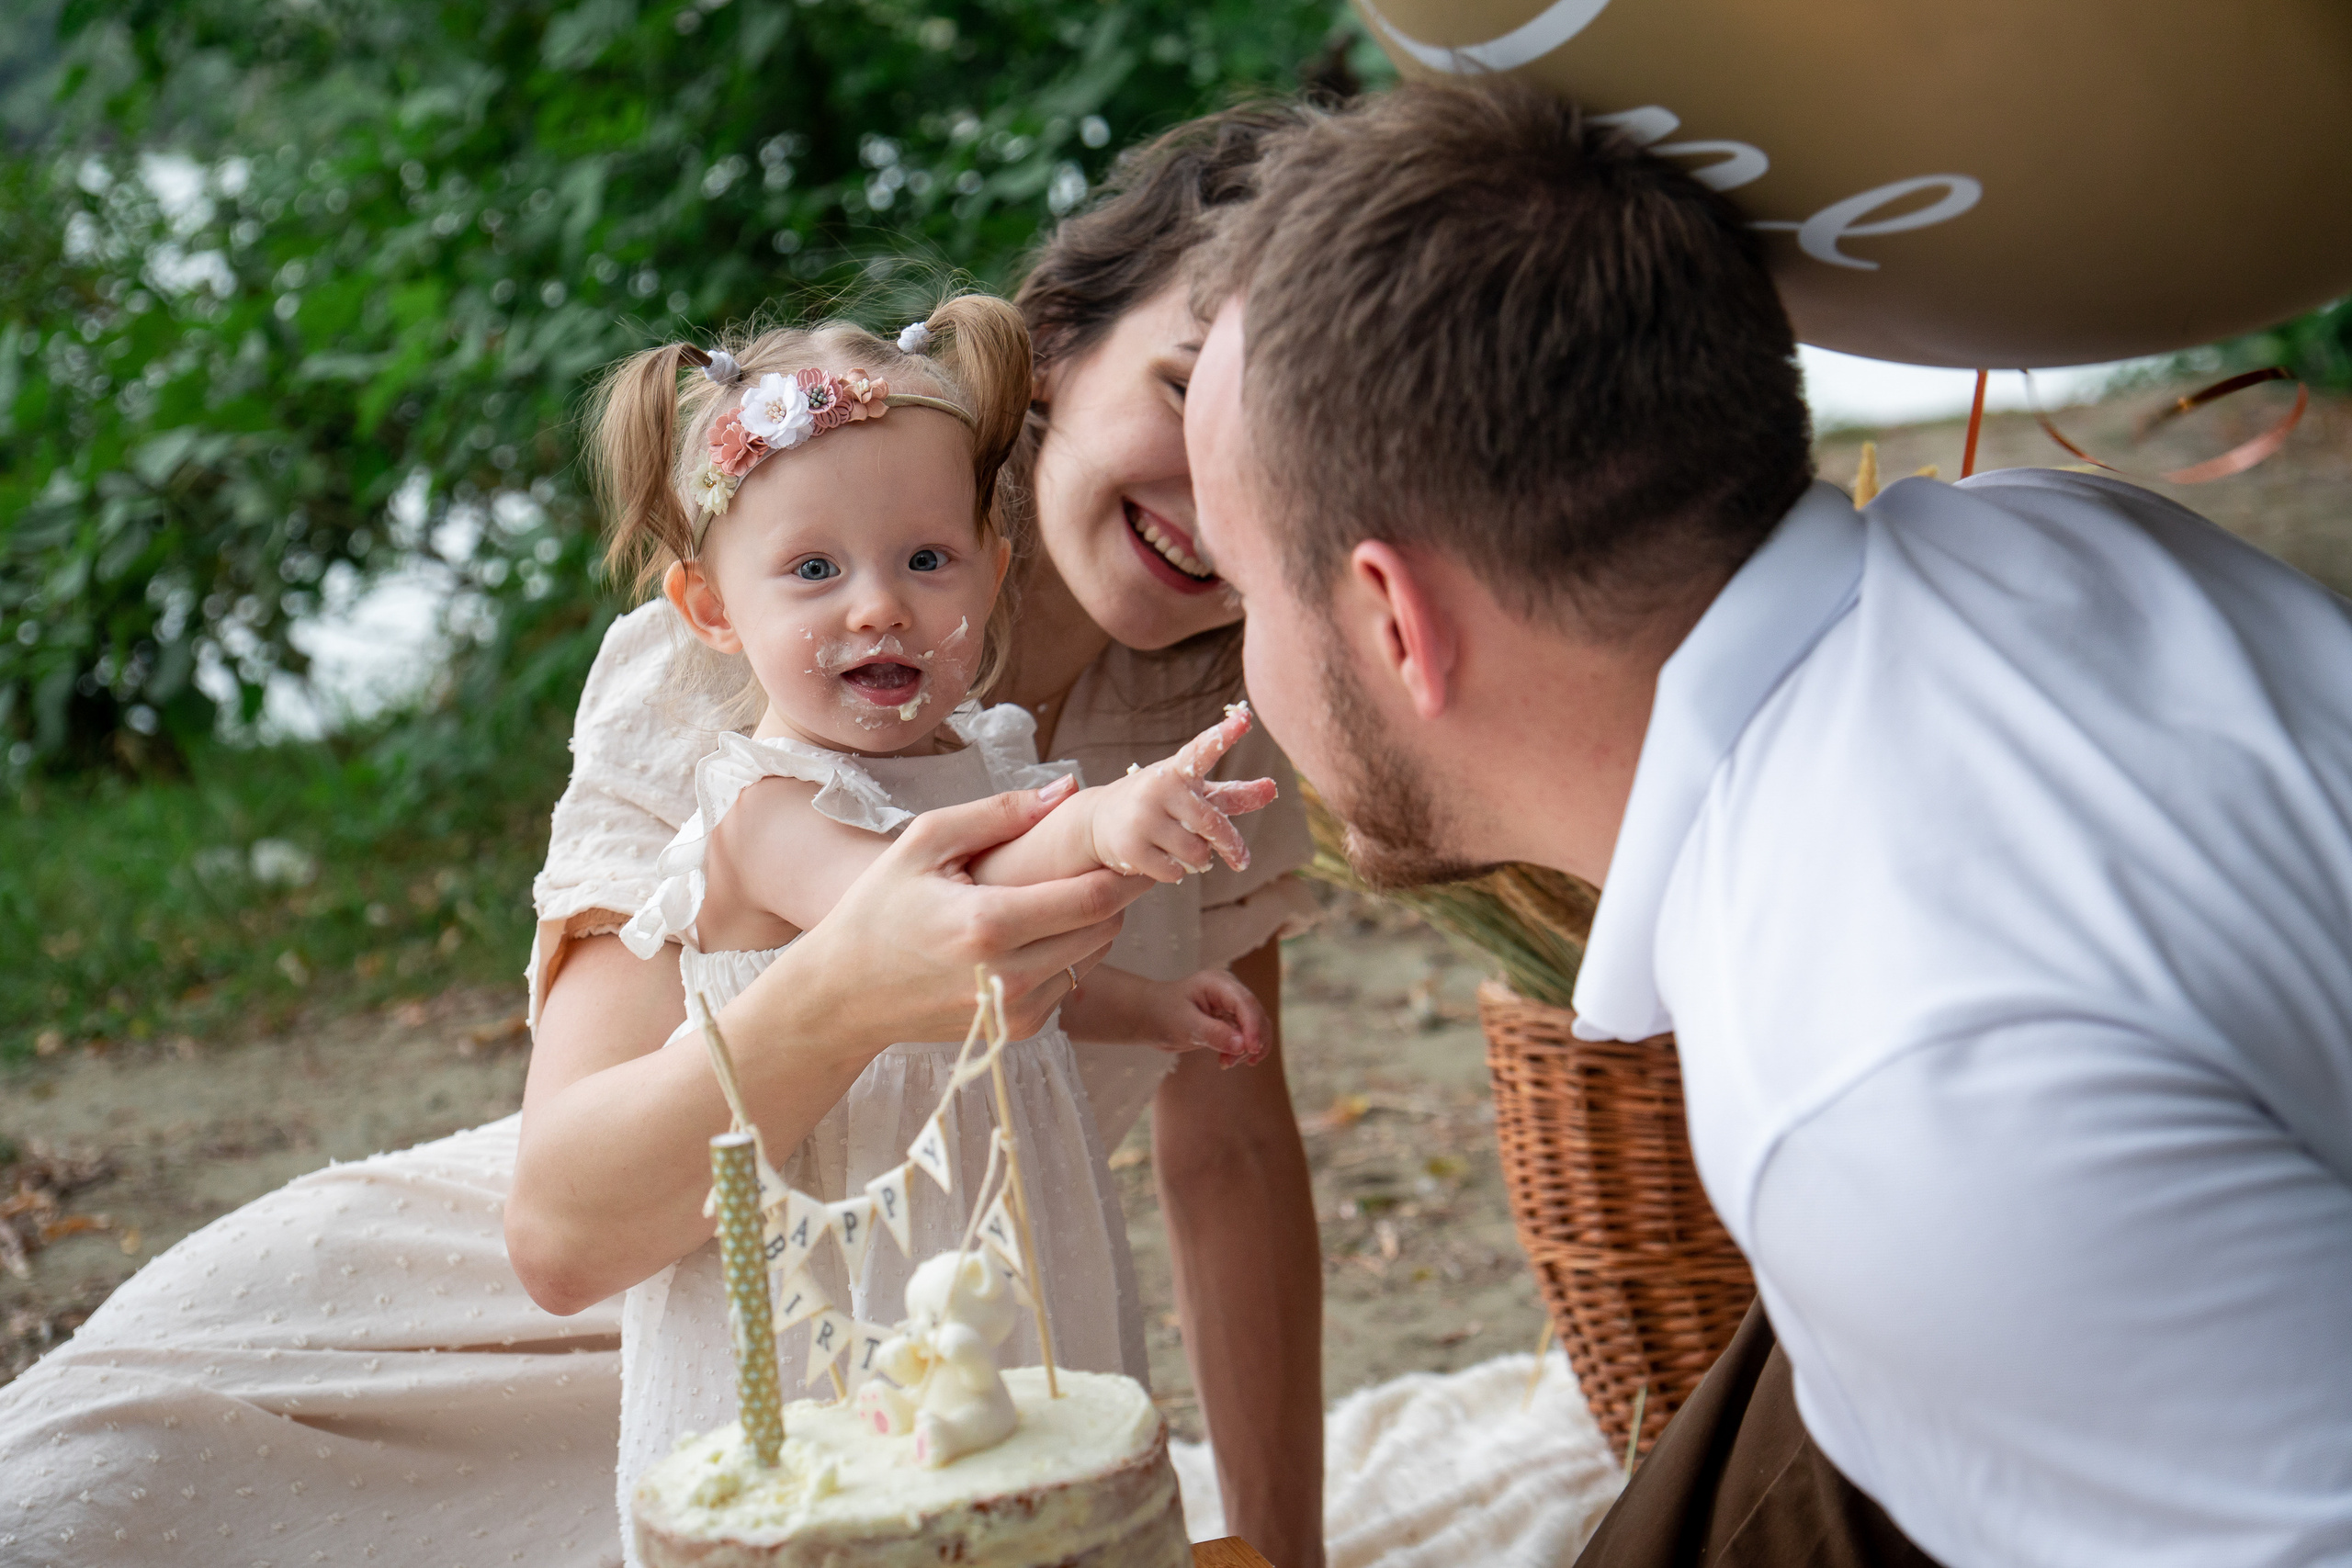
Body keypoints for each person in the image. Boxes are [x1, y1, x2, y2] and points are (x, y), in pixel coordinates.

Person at [0, 106, 1327, 1568]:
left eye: (1291, 465)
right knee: (81, 1502)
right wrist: (858, 983)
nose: (1216, 502)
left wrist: (1280, 1554)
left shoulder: (1232, 724)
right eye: (1187, 390)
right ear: (1062, 343)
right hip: (623, 1300)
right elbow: (563, 1232)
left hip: (934, 1355)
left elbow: (1230, 1159)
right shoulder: (724, 662)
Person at [1183, 79, 2352, 1568]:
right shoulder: (2048, 536)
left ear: (1394, 620)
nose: (1245, 664)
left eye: (1244, 591)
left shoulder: (1883, 1087)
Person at [571, 290, 1278, 1534]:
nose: (877, 606)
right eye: (811, 571)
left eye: (926, 560)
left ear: (992, 574)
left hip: (993, 1206)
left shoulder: (989, 768)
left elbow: (1024, 972)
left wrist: (1150, 1004)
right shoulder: (760, 805)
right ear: (712, 611)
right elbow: (939, 913)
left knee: (1022, 1481)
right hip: (825, 1243)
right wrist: (1105, 823)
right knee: (840, 1511)